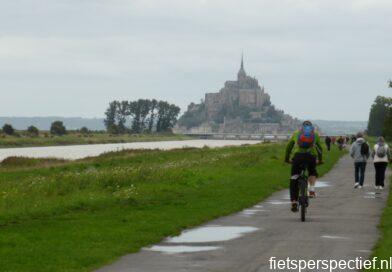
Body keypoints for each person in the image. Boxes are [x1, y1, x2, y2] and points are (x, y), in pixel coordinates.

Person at [285, 120, 323, 212]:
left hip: (298, 157)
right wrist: (320, 160)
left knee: (294, 178)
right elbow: (320, 149)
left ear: (302, 127)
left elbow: (289, 147)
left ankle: (294, 201)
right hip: (311, 157)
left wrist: (287, 158)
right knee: (312, 171)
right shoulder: (315, 135)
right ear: (311, 127)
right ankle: (312, 190)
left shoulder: (296, 133)